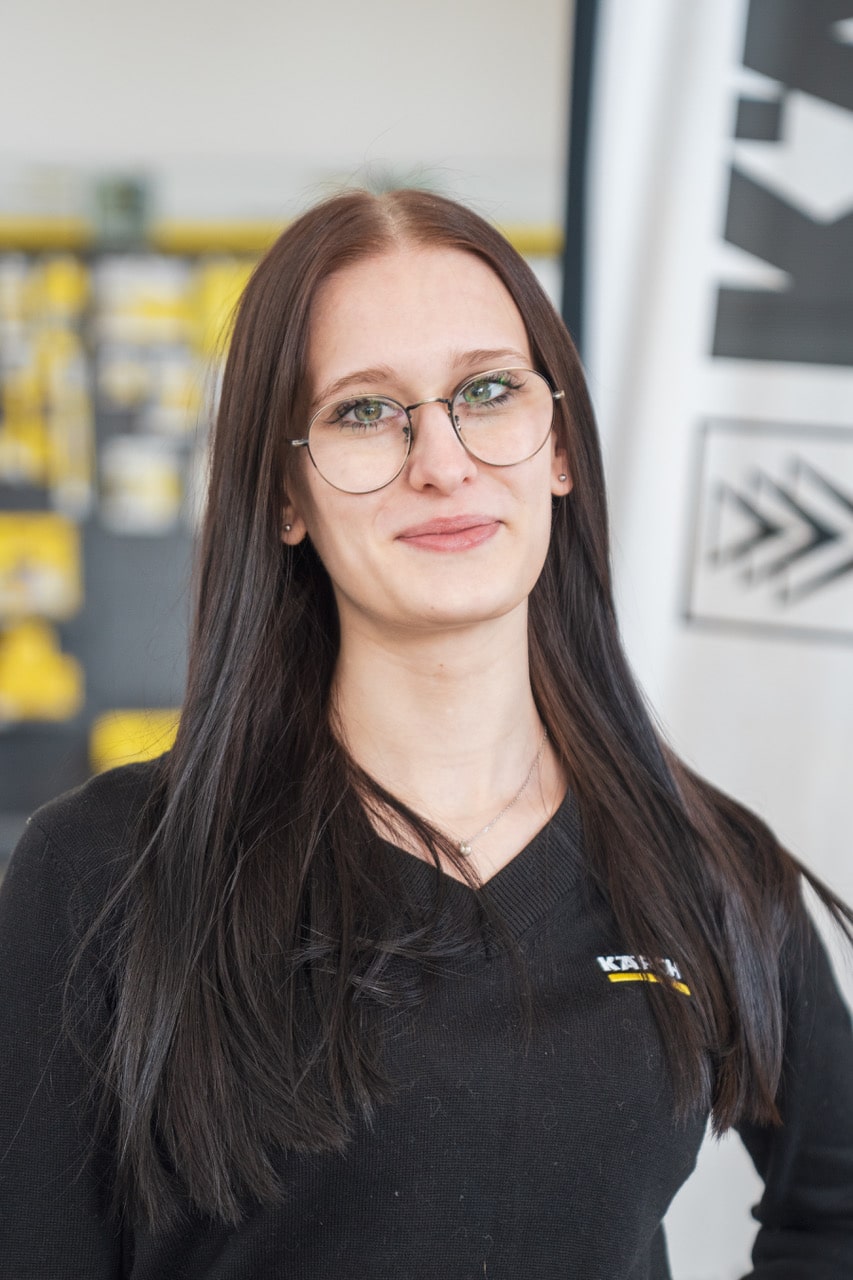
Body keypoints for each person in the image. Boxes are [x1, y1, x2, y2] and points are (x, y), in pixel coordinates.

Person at [1, 188, 852, 1280]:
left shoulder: (703, 866)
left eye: (487, 391)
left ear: (558, 447)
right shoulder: (105, 872)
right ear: (285, 494)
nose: (442, 461)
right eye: (366, 411)